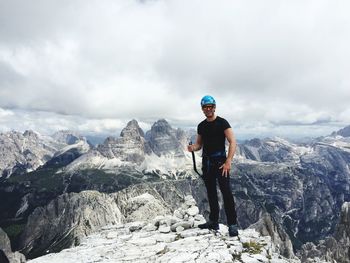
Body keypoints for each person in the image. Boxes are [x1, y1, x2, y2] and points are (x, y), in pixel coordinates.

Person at [187, 95, 239, 237]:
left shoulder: (222, 123)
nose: (208, 109)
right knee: (211, 193)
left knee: (226, 193)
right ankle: (213, 221)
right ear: (202, 109)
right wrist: (193, 148)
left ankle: (232, 224)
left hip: (221, 163)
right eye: (205, 107)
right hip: (207, 163)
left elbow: (232, 141)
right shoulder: (201, 126)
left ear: (214, 107)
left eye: (210, 107)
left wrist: (228, 161)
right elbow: (199, 144)